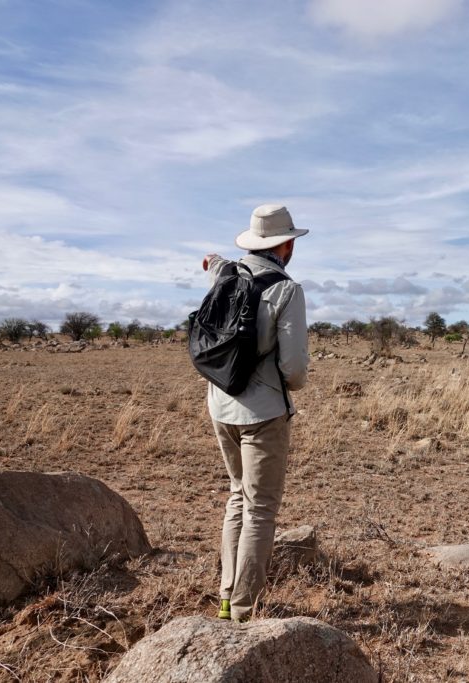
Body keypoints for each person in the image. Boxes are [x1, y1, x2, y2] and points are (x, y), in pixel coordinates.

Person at [202, 204, 309, 621]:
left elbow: (215, 263)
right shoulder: (287, 291)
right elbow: (295, 371)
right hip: (263, 411)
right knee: (260, 508)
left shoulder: (225, 276)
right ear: (286, 245)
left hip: (220, 404)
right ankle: (244, 611)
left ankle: (227, 598)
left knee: (236, 495)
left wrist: (212, 261)